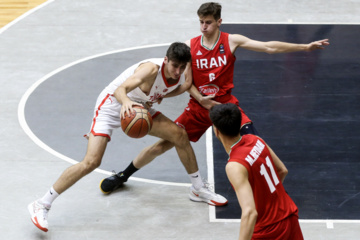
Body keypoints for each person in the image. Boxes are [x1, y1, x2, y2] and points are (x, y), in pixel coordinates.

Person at [102, 2, 329, 194]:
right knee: (164, 144)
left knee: (255, 145)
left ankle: (269, 190)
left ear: (219, 21)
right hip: (199, 108)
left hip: (226, 107)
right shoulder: (191, 46)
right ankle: (123, 175)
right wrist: (200, 99)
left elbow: (269, 47)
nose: (203, 26)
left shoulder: (231, 41)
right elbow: (187, 83)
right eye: (201, 22)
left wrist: (305, 47)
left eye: (208, 22)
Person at [28, 42, 227, 233]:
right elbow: (119, 91)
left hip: (139, 107)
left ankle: (198, 188)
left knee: (180, 135)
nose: (178, 72)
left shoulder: (180, 74)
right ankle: (42, 204)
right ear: (166, 60)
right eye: (175, 66)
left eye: (182, 67)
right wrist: (125, 103)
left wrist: (160, 96)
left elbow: (184, 86)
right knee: (91, 161)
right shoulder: (150, 70)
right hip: (112, 106)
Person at [209, 103, 303, 240]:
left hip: (268, 230)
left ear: (216, 130)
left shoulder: (234, 165)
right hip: (289, 216)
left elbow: (250, 212)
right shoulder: (256, 140)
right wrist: (268, 199)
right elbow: (282, 170)